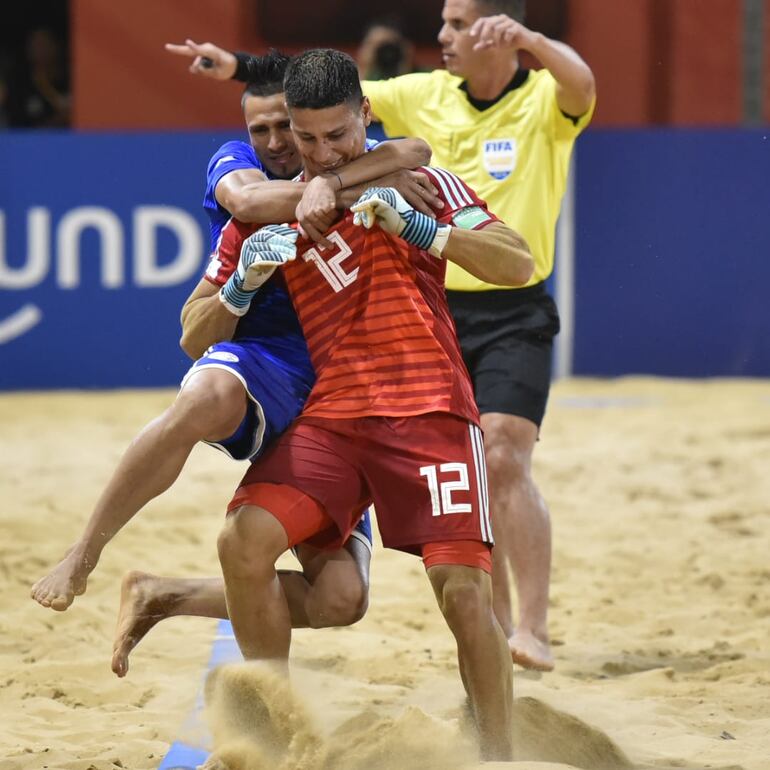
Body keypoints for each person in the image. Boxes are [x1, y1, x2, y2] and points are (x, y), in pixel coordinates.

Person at [163, 0, 596, 673]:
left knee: (505, 456)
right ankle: (489, 628)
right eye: (443, 25)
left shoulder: (541, 95)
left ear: (497, 30)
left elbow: (429, 150)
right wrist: (242, 70)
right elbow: (309, 92)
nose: (442, 36)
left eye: (456, 25)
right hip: (428, 304)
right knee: (306, 565)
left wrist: (533, 39)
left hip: (506, 300)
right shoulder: (420, 92)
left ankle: (529, 628)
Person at [30, 50, 440, 678]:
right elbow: (247, 216)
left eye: (290, 128)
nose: (278, 143)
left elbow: (415, 151)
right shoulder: (238, 168)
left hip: (345, 387)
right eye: (265, 130)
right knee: (205, 396)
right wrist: (244, 283)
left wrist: (332, 182)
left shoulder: (343, 154)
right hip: (267, 357)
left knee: (341, 601)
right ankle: (85, 553)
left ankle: (163, 595)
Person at [206, 48, 533, 762]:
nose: (320, 153)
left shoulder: (420, 182)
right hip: (333, 419)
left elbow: (518, 263)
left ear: (366, 116)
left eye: (338, 136)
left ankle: (497, 755)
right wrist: (240, 286)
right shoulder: (279, 207)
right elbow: (192, 330)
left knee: (463, 598)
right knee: (243, 541)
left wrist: (425, 232)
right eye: (305, 137)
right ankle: (269, 740)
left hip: (429, 411)